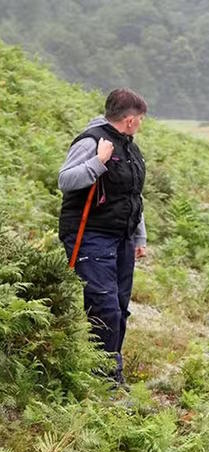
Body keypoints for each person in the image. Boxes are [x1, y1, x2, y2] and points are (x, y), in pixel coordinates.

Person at [58, 88, 148, 389]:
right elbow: (65, 180)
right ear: (132, 119)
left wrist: (139, 236)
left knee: (120, 306)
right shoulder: (91, 141)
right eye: (142, 120)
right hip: (90, 235)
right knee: (104, 306)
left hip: (120, 237)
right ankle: (103, 380)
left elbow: (132, 195)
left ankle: (111, 372)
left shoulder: (130, 147)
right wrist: (98, 162)